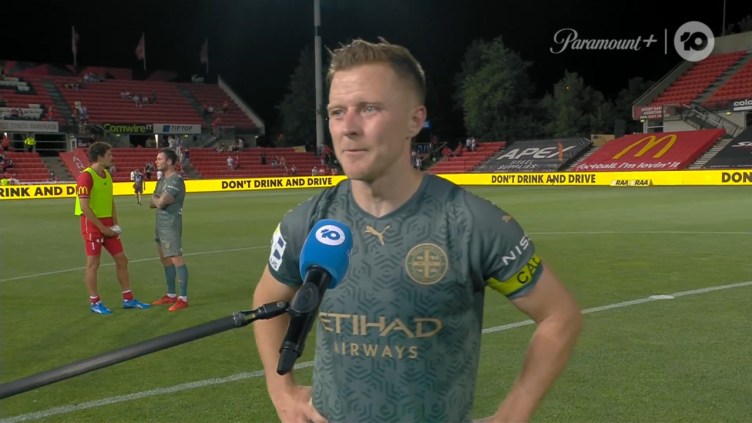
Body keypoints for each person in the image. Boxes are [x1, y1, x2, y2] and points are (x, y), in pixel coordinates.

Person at [252, 39, 583, 423]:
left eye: (369, 108)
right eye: (337, 112)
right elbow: (268, 298)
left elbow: (559, 316)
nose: (348, 128)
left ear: (414, 120)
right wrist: (282, 392)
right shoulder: (309, 221)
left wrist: (512, 415)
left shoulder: (473, 223)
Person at [74, 141, 151, 315]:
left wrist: (115, 223)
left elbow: (110, 201)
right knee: (93, 264)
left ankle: (128, 299)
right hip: (92, 225)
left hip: (108, 224)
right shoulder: (86, 177)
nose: (112, 157)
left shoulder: (107, 175)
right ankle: (95, 302)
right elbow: (84, 207)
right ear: (99, 156)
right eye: (109, 154)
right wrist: (102, 227)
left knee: (122, 260)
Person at [149, 149, 189, 312]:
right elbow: (152, 203)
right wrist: (157, 199)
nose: (156, 161)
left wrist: (157, 198)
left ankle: (183, 298)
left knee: (176, 259)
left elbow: (159, 202)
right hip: (160, 225)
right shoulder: (162, 180)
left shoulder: (176, 180)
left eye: (159, 159)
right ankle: (171, 295)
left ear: (170, 161)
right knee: (165, 260)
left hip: (171, 225)